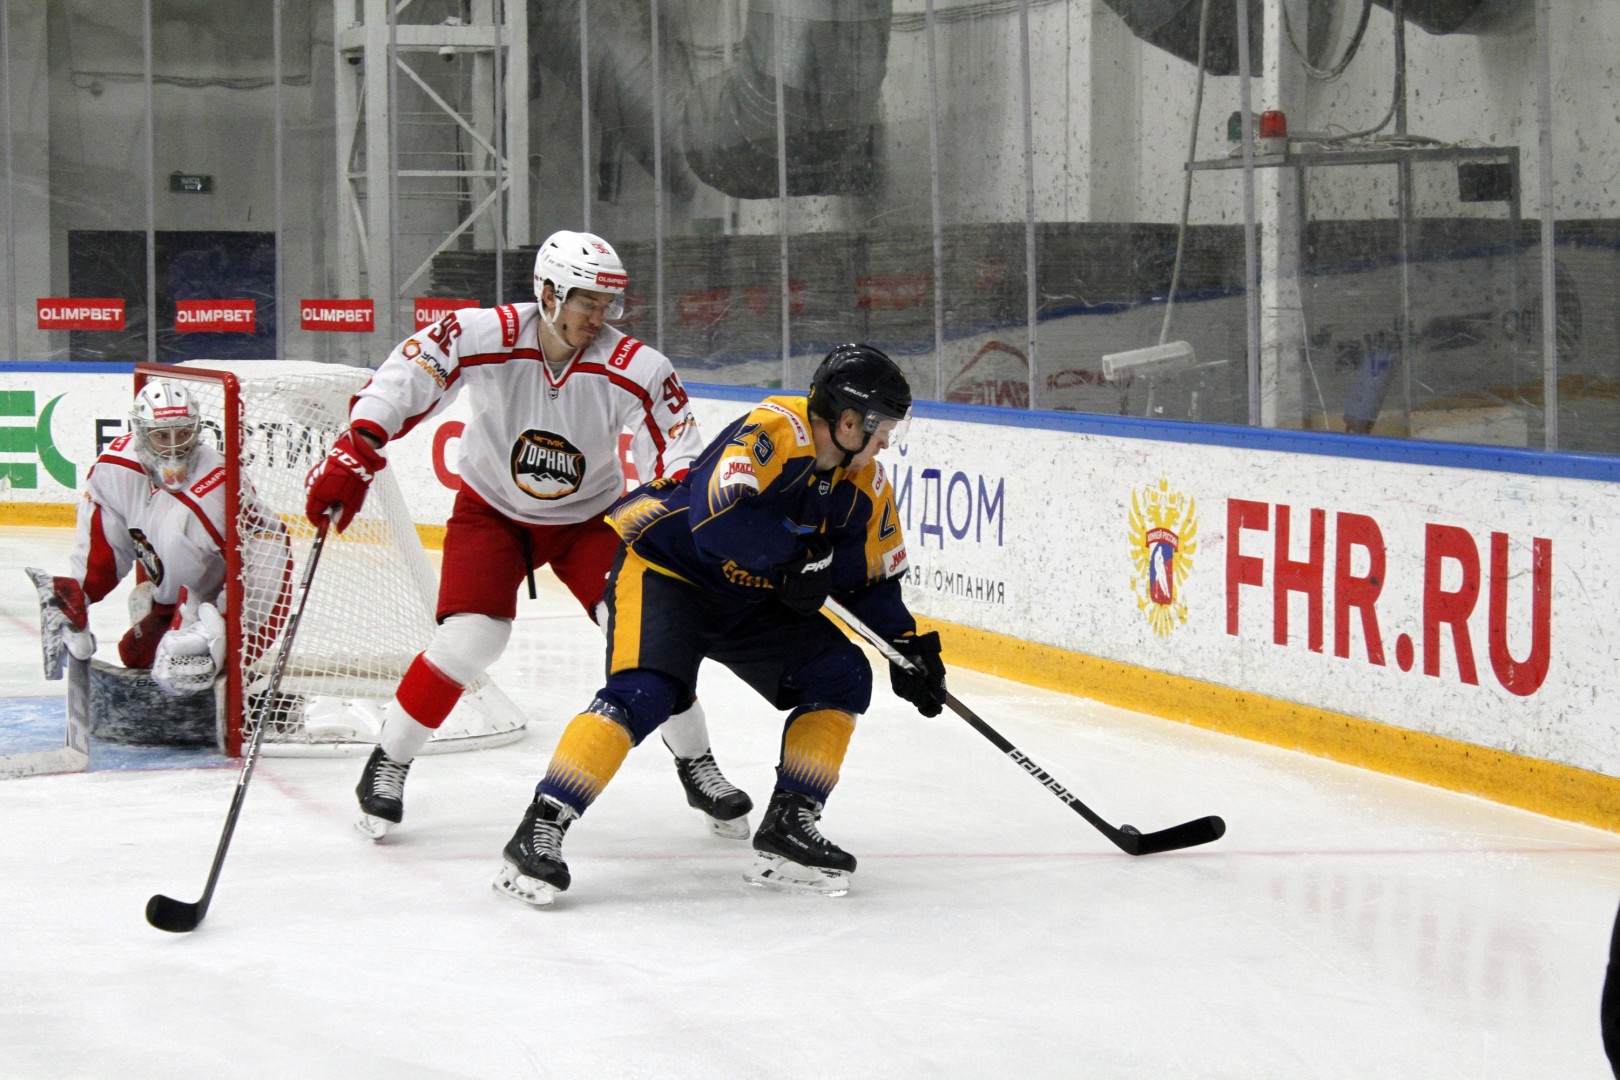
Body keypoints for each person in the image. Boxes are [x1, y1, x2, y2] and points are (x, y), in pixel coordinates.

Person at [304, 228, 753, 841]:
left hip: (590, 522)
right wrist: (360, 442)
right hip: (491, 512)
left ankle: (696, 762)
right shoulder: (480, 333)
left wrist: (679, 503)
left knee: (649, 638)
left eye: (608, 305)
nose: (599, 318)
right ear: (547, 291)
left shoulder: (637, 367)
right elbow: (406, 377)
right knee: (472, 639)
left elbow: (678, 451)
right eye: (585, 302)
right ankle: (389, 762)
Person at [491, 343, 949, 908]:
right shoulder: (775, 429)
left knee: (841, 675)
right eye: (881, 426)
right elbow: (718, 515)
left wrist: (907, 646)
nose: (886, 441)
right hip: (669, 573)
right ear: (849, 419)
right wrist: (794, 555)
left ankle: (790, 825)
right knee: (647, 693)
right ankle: (541, 825)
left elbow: (870, 584)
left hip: (750, 599)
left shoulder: (867, 487)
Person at [32, 379, 288, 703]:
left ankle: (233, 673)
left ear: (196, 430)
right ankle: (158, 610)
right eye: (161, 435)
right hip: (169, 600)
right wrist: (76, 597)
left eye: (182, 433)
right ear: (141, 432)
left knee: (181, 674)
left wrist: (225, 629)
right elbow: (104, 545)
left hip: (210, 607)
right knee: (135, 654)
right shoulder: (115, 468)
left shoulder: (219, 486)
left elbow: (269, 546)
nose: (172, 446)